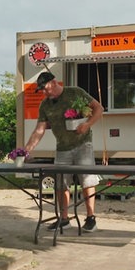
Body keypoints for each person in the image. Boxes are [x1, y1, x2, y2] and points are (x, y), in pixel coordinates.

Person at [24, 72, 104, 233]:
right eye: (41, 90)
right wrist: (25, 151)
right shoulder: (45, 105)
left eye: (45, 88)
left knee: (87, 181)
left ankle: (90, 218)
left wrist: (87, 124)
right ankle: (64, 219)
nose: (44, 93)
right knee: (60, 184)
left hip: (83, 144)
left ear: (54, 83)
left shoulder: (75, 92)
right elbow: (39, 130)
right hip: (62, 148)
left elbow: (98, 108)